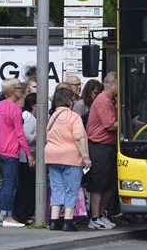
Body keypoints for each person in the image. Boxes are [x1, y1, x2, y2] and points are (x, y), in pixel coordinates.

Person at [0, 78, 35, 228]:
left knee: (9, 183)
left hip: (0, 149)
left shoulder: (0, 106)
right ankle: (7, 216)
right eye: (19, 87)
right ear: (14, 91)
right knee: (11, 185)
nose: (22, 90)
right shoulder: (15, 109)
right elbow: (20, 134)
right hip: (11, 150)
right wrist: (29, 154)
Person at [45, 89, 91, 232]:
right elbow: (78, 138)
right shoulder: (74, 117)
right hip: (70, 157)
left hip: (52, 156)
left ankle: (54, 220)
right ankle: (68, 221)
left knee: (57, 187)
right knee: (72, 189)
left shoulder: (52, 117)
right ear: (69, 100)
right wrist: (86, 158)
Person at [85, 71, 118, 230]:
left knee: (109, 185)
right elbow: (110, 125)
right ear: (113, 85)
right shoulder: (103, 101)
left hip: (109, 148)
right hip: (99, 148)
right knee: (98, 185)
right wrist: (125, 121)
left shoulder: (111, 100)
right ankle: (94, 217)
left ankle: (102, 214)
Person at [13, 92, 37, 224]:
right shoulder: (28, 117)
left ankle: (25, 213)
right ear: (34, 105)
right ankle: (22, 214)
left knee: (27, 186)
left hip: (28, 155)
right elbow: (25, 135)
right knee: (26, 187)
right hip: (25, 156)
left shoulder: (30, 117)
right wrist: (39, 139)